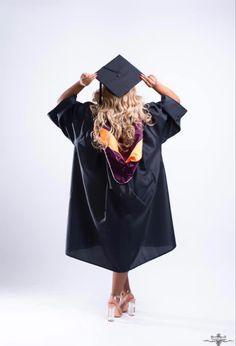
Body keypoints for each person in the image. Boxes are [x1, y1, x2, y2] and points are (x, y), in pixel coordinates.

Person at [47, 56, 188, 321]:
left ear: (102, 92)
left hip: (103, 199)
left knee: (119, 241)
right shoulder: (151, 119)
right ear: (134, 92)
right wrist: (157, 86)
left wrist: (80, 84)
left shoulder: (87, 119)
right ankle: (126, 294)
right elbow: (175, 103)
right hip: (142, 196)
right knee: (125, 241)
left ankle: (114, 297)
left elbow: (62, 104)